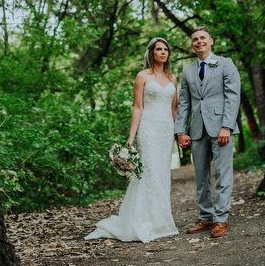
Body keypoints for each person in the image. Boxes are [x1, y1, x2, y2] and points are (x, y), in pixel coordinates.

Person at [85, 38, 179, 243]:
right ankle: (143, 221)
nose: (163, 52)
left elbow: (174, 108)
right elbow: (138, 107)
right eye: (159, 49)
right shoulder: (142, 76)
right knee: (148, 172)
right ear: (152, 52)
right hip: (148, 129)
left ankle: (161, 221)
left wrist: (179, 133)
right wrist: (131, 135)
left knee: (162, 174)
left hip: (166, 132)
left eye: (166, 50)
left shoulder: (172, 78)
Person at [174, 26, 240, 238]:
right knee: (201, 176)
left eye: (202, 38)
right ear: (192, 44)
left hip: (221, 128)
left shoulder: (225, 64)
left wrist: (227, 126)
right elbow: (184, 102)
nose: (199, 41)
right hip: (197, 130)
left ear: (211, 41)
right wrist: (180, 131)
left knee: (222, 175)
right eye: (195, 39)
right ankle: (206, 217)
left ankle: (221, 219)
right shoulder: (187, 71)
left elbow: (233, 95)